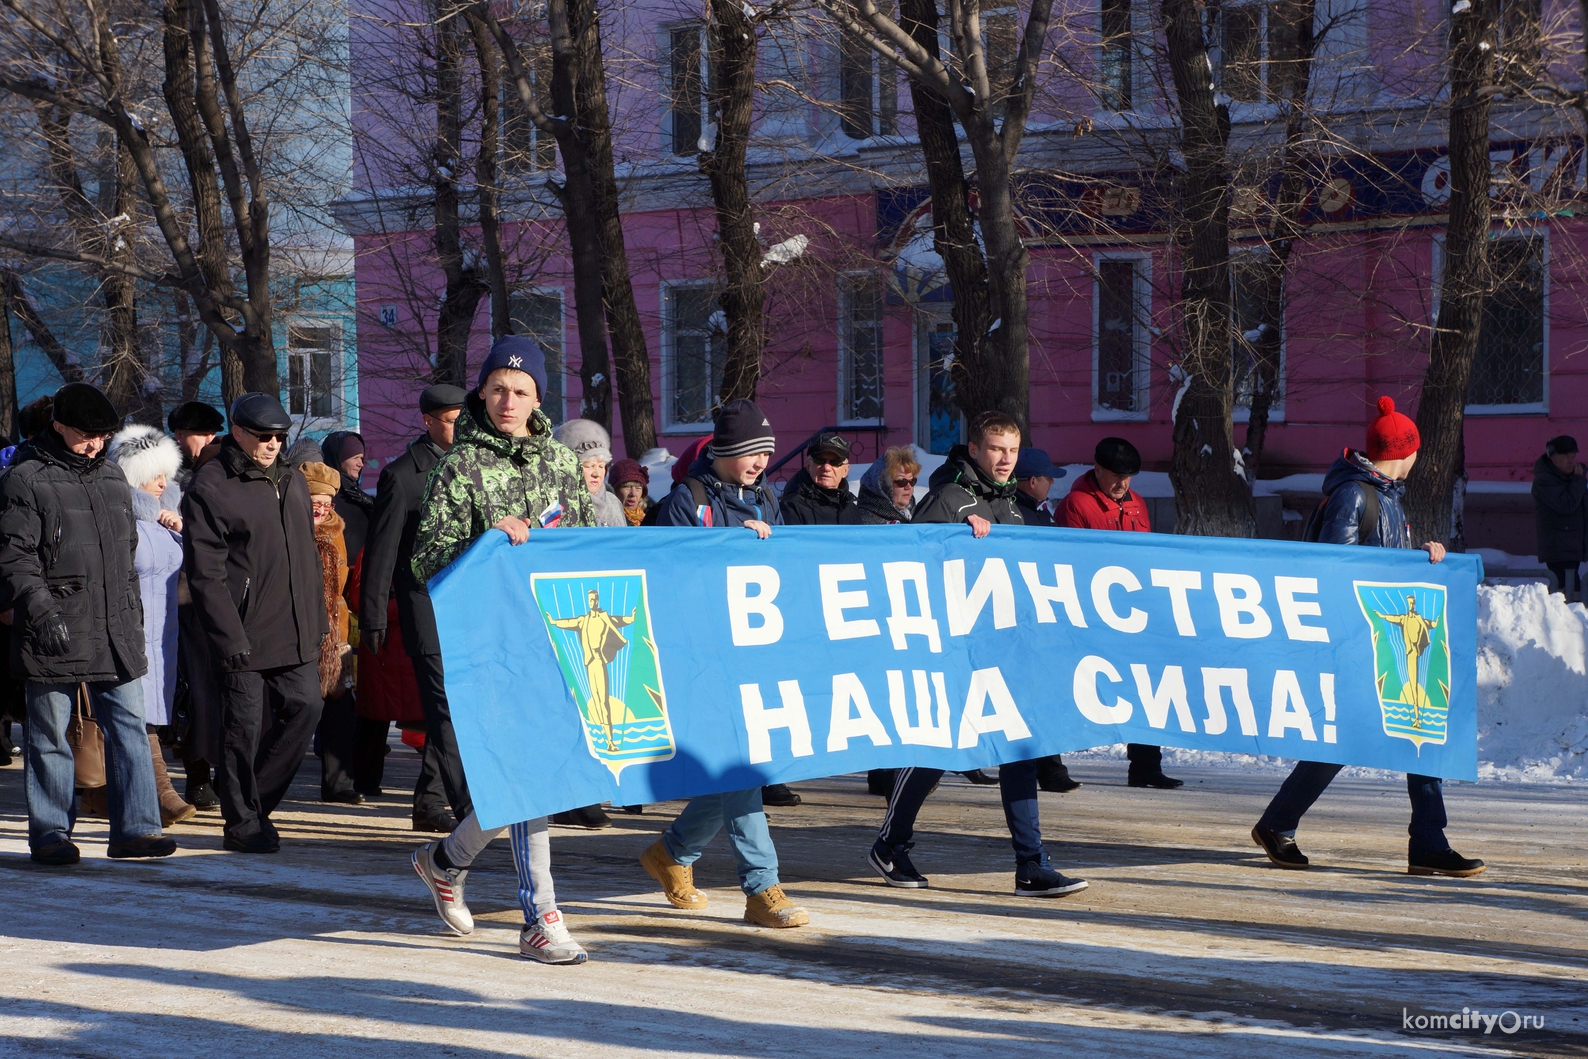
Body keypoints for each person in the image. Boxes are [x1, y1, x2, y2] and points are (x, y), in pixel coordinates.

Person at [408, 335, 595, 964]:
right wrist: (487, 540)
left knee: (530, 775)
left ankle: (445, 859)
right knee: (531, 775)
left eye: (520, 391)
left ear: (538, 397)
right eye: (497, 390)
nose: (507, 401)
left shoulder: (562, 465)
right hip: (492, 644)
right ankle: (540, 918)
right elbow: (426, 561)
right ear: (481, 393)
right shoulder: (458, 468)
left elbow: (594, 553)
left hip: (559, 639)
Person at [1251, 396, 1485, 878]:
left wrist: (1423, 556)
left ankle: (1428, 842)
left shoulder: (1387, 495)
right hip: (1356, 642)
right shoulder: (1354, 495)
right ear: (1405, 452)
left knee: (1420, 730)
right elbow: (1336, 571)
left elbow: (1383, 563)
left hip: (1385, 638)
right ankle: (1277, 824)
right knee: (1346, 740)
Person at [869, 411, 1087, 899]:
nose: (1005, 459)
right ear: (974, 450)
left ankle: (1031, 865)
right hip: (954, 650)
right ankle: (890, 844)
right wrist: (955, 538)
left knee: (1021, 753)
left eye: (1011, 449)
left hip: (1007, 650)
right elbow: (909, 564)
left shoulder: (1013, 508)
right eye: (995, 449)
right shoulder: (949, 497)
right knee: (938, 748)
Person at [641, 398, 811, 929]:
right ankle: (762, 887)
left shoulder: (766, 498)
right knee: (743, 767)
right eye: (748, 453)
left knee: (735, 770)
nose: (759, 462)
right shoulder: (686, 501)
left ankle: (671, 853)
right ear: (723, 452)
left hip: (753, 654)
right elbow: (666, 575)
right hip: (700, 659)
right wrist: (727, 548)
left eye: (765, 452)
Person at [0, 382, 175, 865]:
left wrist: (131, 614)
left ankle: (136, 829)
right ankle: (52, 833)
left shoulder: (113, 478)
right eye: (85, 435)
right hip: (52, 625)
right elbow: (15, 556)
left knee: (129, 728)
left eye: (102, 436)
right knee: (50, 734)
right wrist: (41, 611)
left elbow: (126, 554)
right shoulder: (26, 477)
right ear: (58, 425)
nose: (95, 444)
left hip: (114, 625)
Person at [183, 392, 328, 854]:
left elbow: (305, 555)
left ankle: (253, 804)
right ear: (238, 432)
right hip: (241, 632)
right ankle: (241, 822)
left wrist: (317, 620)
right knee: (241, 730)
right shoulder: (212, 484)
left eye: (280, 437)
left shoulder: (292, 480)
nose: (272, 444)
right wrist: (229, 636)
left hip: (295, 626)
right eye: (263, 436)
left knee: (307, 707)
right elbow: (205, 574)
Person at [360, 384, 465, 832]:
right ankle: (453, 802)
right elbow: (381, 552)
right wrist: (373, 617)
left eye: (464, 420)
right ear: (427, 421)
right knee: (444, 710)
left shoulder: (473, 469)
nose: (458, 430)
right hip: (424, 609)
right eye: (449, 420)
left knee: (455, 711)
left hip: (467, 608)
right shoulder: (403, 475)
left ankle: (429, 800)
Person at [1049, 438, 1181, 791]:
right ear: (1097, 469)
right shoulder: (1076, 504)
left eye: (1129, 477)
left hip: (1133, 612)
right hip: (1091, 613)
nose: (1123, 484)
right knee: (1069, 686)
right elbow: (1071, 563)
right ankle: (1047, 765)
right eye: (1116, 476)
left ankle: (1146, 766)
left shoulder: (1137, 503)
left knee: (1144, 686)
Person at [108, 425, 197, 828]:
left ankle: (125, 792)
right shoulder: (118, 517)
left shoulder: (169, 520)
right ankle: (160, 793)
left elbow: (188, 584)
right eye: (152, 474)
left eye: (166, 473)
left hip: (166, 638)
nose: (162, 482)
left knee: (147, 718)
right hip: (130, 633)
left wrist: (183, 534)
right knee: (135, 718)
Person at [302, 462, 362, 805]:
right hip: (297, 631)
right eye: (315, 502)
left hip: (335, 632)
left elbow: (344, 582)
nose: (321, 510)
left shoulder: (336, 531)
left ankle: (339, 783)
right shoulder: (289, 528)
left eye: (327, 503)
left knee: (340, 709)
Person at [1532, 435, 1586, 602]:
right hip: (1559, 548)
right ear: (1553, 457)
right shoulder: (1544, 480)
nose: (1571, 461)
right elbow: (1567, 505)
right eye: (1566, 457)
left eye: (1573, 457)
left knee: (1571, 592)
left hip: (1571, 547)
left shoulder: (1570, 478)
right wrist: (1578, 480)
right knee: (1568, 595)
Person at [555, 418, 626, 528]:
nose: (596, 473)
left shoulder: (613, 502)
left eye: (601, 466)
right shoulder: (555, 503)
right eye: (589, 466)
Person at [779, 431, 857, 525]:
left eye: (835, 462)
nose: (826, 468)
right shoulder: (791, 507)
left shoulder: (852, 509)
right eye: (819, 460)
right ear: (808, 466)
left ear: (845, 470)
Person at [320, 431, 374, 563]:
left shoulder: (357, 494)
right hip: (338, 575)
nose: (360, 464)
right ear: (339, 458)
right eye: (355, 457)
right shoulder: (325, 495)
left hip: (361, 574)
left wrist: (372, 504)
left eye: (361, 458)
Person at [845, 445, 920, 525]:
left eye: (912, 481)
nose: (908, 487)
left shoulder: (918, 516)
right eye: (901, 482)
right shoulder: (864, 522)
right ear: (883, 485)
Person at [167, 401, 224, 490]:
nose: (209, 441)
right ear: (179, 435)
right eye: (202, 435)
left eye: (213, 434)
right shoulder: (161, 474)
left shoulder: (221, 467)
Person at [609, 458, 655, 525]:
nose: (633, 493)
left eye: (638, 488)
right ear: (614, 490)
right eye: (627, 487)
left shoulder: (654, 516)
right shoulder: (606, 519)